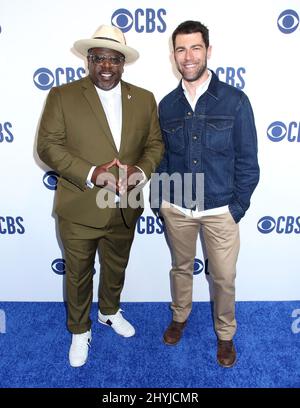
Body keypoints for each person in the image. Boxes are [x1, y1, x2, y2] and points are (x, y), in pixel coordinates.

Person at [37, 24, 164, 367]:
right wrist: (94, 174)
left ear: (123, 63)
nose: (106, 66)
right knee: (78, 272)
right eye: (98, 59)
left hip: (126, 206)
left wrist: (139, 171)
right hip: (80, 206)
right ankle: (80, 329)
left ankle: (109, 311)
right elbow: (47, 146)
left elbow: (154, 144)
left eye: (113, 59)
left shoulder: (144, 98)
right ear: (88, 60)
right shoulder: (62, 96)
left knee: (116, 266)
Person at [151, 20, 259, 367]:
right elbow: (160, 159)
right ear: (173, 56)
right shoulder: (167, 105)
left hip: (220, 209)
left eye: (195, 48)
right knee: (181, 268)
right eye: (181, 49)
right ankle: (180, 316)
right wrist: (162, 203)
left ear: (208, 51)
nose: (189, 56)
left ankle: (225, 334)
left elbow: (247, 159)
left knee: (224, 277)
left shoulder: (235, 101)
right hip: (178, 207)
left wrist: (236, 208)